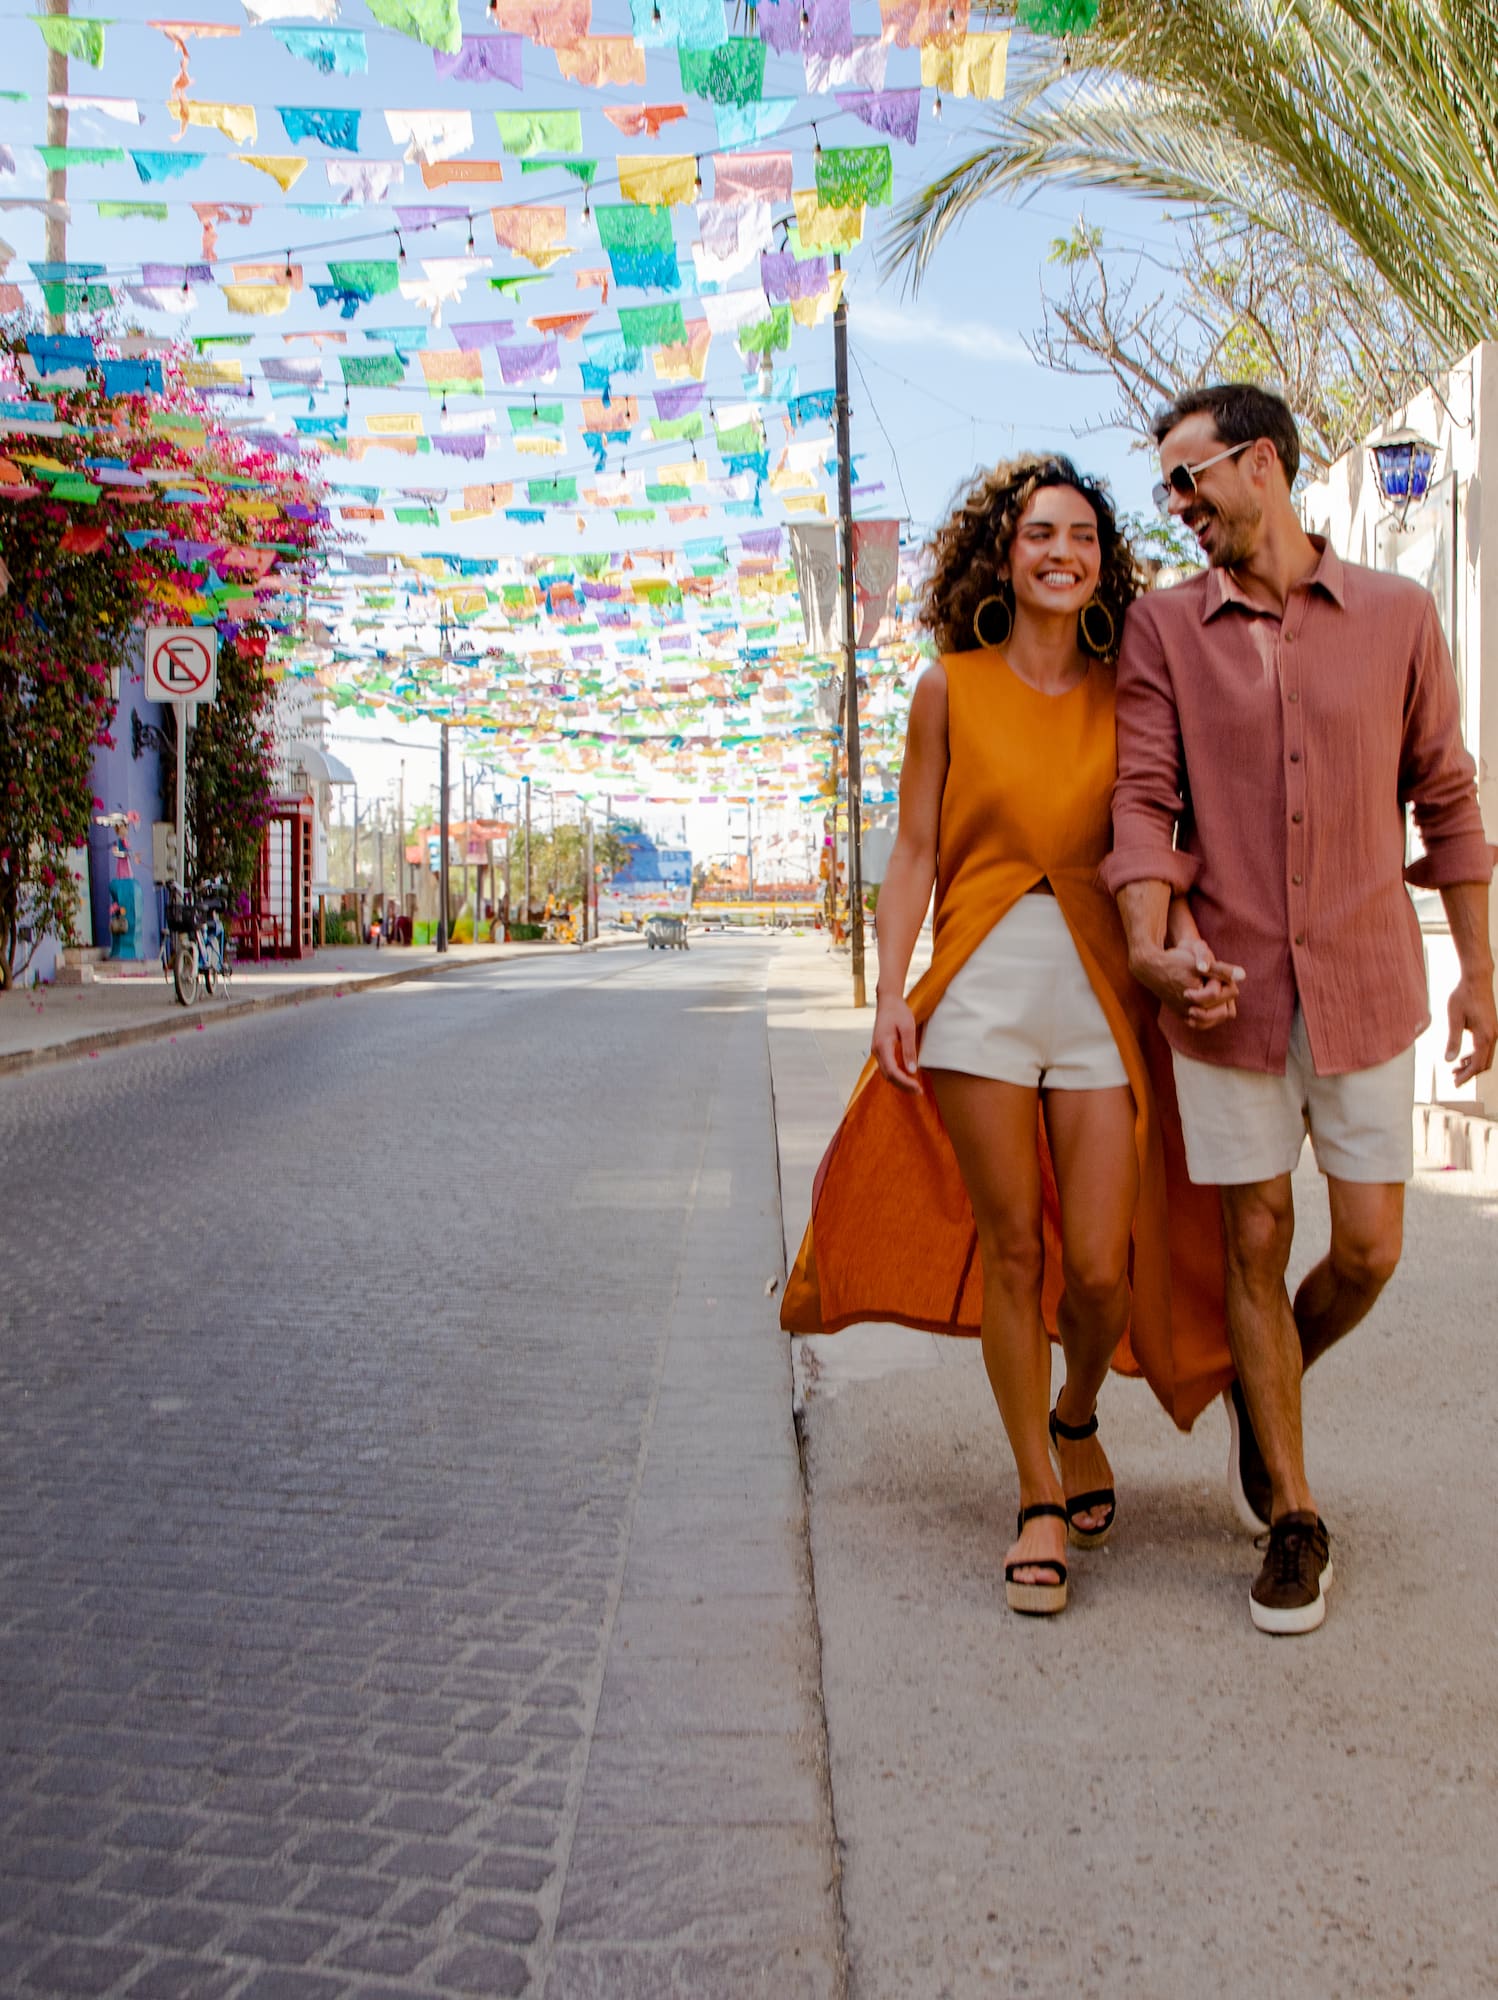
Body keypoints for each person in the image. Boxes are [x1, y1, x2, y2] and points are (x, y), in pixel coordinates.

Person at [781, 456, 1232, 1617]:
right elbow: (917, 854)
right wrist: (892, 988)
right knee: (1014, 1253)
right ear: (1004, 549)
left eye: (1082, 536)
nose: (1061, 552)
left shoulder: (1130, 688)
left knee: (1096, 1264)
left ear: (1101, 561)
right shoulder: (949, 687)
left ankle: (1077, 1405)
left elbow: (1163, 834)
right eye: (1040, 533)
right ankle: (1036, 1485)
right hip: (977, 989)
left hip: (1098, 990)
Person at [1103, 382, 1497, 1637]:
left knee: (1370, 1248)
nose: (1176, 505)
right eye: (1167, 485)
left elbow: (1446, 795)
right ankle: (1293, 1516)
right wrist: (1154, 950)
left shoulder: (1398, 614)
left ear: (1260, 464)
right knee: (1255, 1240)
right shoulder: (1164, 629)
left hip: (1369, 981)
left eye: (1187, 477)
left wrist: (1481, 972)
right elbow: (1143, 804)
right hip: (1223, 994)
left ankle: (1258, 1389)